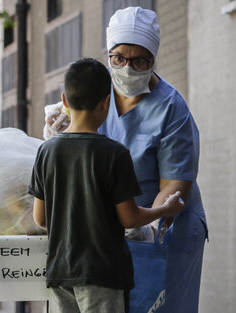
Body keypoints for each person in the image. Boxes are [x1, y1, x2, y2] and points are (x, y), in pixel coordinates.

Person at [28, 58, 184, 313]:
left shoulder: (46, 152)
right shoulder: (114, 154)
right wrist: (164, 209)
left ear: (65, 100)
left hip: (60, 273)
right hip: (103, 275)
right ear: (106, 102)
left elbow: (40, 218)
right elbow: (130, 218)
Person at [98, 6, 208, 313]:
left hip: (164, 231)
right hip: (113, 230)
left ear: (153, 60)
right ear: (109, 54)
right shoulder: (97, 92)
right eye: (119, 58)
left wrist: (138, 226)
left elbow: (174, 186)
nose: (128, 68)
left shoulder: (172, 108)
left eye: (140, 60)